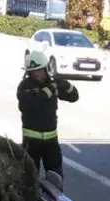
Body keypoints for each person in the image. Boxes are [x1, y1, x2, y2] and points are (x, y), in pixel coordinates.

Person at [16, 51, 79, 185]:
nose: (36, 74)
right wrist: (48, 91)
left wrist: (65, 85)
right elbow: (28, 105)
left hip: (51, 142)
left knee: (56, 178)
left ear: (45, 68)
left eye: (39, 70)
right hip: (31, 143)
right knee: (29, 180)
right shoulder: (24, 86)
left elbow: (74, 97)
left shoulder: (53, 83)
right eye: (32, 72)